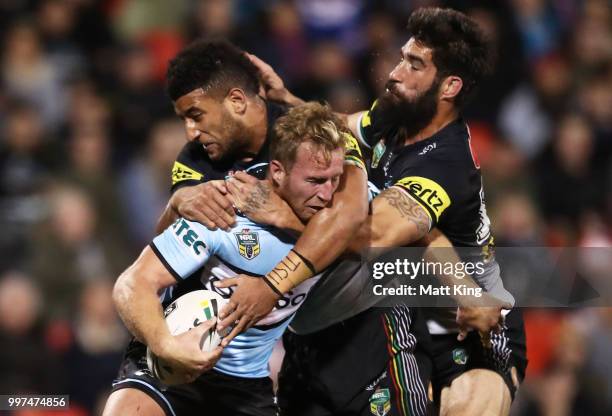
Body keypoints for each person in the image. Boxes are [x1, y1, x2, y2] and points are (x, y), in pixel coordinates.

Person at [239, 7, 526, 416]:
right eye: (400, 57)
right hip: (402, 313)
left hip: (467, 325)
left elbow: (364, 235)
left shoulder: (443, 164)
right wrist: (285, 99)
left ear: (449, 87)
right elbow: (344, 127)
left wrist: (281, 214)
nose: (395, 72)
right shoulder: (398, 116)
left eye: (414, 65)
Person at [103, 102, 352, 416]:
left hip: (247, 386)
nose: (329, 195)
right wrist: (168, 346)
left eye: (336, 180)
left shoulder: (346, 215)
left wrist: (286, 229)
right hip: (171, 357)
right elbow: (131, 283)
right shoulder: (225, 208)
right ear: (277, 171)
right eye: (315, 181)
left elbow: (399, 259)